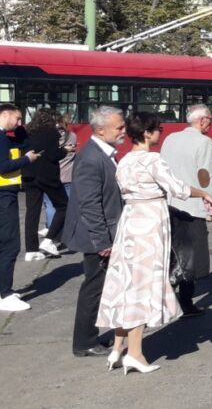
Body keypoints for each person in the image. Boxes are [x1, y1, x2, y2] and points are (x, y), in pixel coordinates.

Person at [96, 112, 212, 375]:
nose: (160, 133)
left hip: (130, 222)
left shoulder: (125, 160)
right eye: (158, 129)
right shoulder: (153, 160)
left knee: (125, 282)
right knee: (143, 285)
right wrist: (204, 193)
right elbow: (178, 188)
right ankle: (136, 354)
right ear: (148, 133)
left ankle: (118, 348)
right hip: (150, 222)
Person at [63, 106, 126, 357]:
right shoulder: (91, 157)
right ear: (101, 130)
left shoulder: (104, 153)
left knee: (98, 287)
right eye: (119, 127)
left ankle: (89, 337)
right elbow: (89, 204)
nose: (124, 131)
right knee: (94, 288)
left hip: (103, 233)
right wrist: (103, 241)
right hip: (96, 237)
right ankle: (85, 342)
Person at [160, 104, 212, 317]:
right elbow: (205, 177)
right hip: (192, 206)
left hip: (169, 203)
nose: (211, 122)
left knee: (172, 253)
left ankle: (164, 300)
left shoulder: (170, 138)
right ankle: (186, 303)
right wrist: (209, 206)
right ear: (201, 121)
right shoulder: (204, 142)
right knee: (191, 257)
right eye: (210, 119)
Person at [0, 103, 39, 313]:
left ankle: (3, 289)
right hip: (4, 194)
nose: (19, 123)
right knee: (10, 244)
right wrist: (26, 159)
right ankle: (4, 294)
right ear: (4, 114)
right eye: (17, 118)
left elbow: (26, 141)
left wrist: (20, 128)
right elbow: (2, 166)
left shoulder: (6, 135)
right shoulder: (1, 138)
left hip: (6, 193)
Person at [21, 109, 72, 261]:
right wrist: (65, 150)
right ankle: (49, 240)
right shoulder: (52, 133)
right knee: (64, 206)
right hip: (48, 176)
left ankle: (30, 250)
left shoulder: (27, 131)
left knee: (32, 212)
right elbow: (53, 155)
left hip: (29, 175)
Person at [43, 113, 78, 234]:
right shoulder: (72, 136)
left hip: (51, 176)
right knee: (65, 206)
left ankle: (52, 232)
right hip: (68, 176)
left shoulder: (48, 137)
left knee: (50, 205)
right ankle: (63, 231)